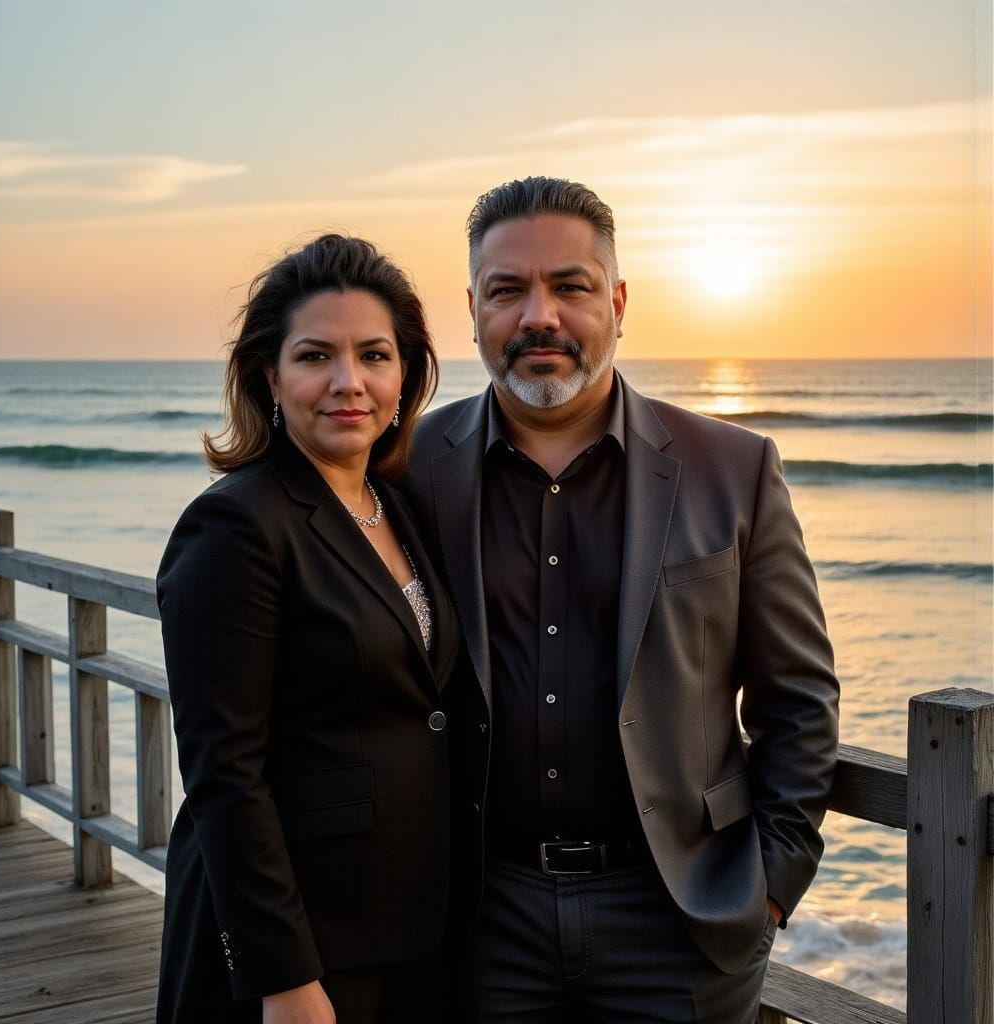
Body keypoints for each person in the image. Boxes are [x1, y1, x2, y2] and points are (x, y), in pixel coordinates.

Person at [403, 177, 840, 1023]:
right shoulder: (410, 468)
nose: (541, 316)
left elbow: (799, 697)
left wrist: (770, 889)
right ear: (472, 308)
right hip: (480, 920)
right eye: (507, 290)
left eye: (570, 286)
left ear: (618, 299)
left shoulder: (735, 470)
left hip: (678, 919)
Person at [155, 234, 460, 1024]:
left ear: (407, 374)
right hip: (299, 947)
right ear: (271, 375)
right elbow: (225, 771)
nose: (348, 382)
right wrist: (283, 977)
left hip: (405, 927)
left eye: (375, 355)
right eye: (316, 356)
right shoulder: (234, 526)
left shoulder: (398, 509)